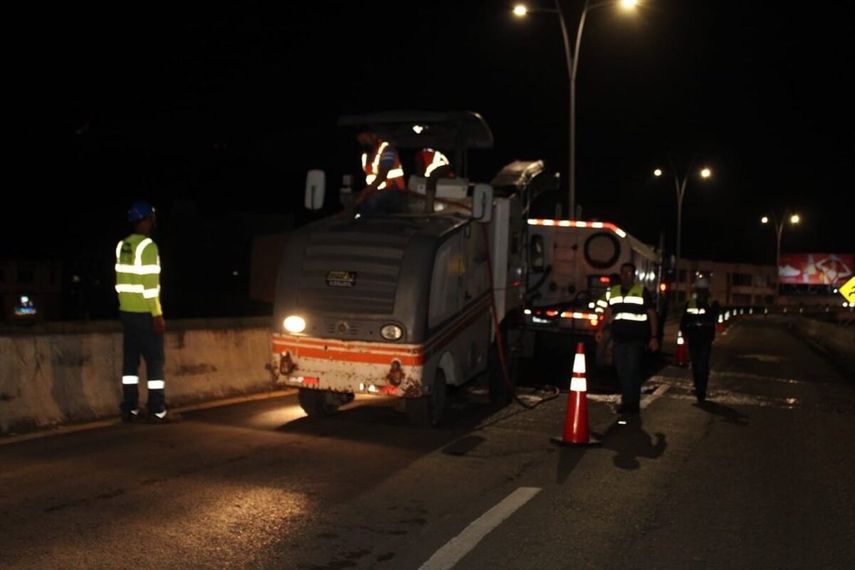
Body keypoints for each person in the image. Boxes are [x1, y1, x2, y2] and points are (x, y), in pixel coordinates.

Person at [114, 200, 177, 423]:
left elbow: (121, 282)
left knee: (130, 363)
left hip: (127, 313)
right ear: (148, 220)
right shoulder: (148, 247)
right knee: (155, 361)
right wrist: (157, 314)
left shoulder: (122, 246)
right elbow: (150, 287)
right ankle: (157, 410)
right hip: (145, 314)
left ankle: (129, 408)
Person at [595, 262, 659, 416]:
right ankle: (628, 402)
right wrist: (600, 329)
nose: (626, 276)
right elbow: (609, 312)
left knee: (631, 371)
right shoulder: (615, 291)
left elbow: (652, 315)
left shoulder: (641, 291)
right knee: (622, 371)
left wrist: (654, 337)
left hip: (635, 340)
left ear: (634, 275)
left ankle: (631, 404)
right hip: (619, 340)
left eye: (629, 273)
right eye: (623, 273)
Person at [679, 275, 720, 403]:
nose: (701, 292)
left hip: (705, 339)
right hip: (693, 339)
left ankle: (701, 389)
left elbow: (714, 318)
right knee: (696, 365)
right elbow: (684, 321)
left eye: (703, 290)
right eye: (699, 290)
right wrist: (685, 333)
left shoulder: (712, 304)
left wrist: (706, 305)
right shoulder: (690, 303)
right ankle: (698, 386)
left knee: (703, 365)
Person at [354, 127, 406, 215]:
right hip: (376, 190)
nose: (362, 142)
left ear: (373, 136)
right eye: (360, 140)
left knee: (370, 203)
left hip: (393, 191)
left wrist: (363, 194)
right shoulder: (365, 155)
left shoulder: (387, 150)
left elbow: (382, 176)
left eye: (364, 139)